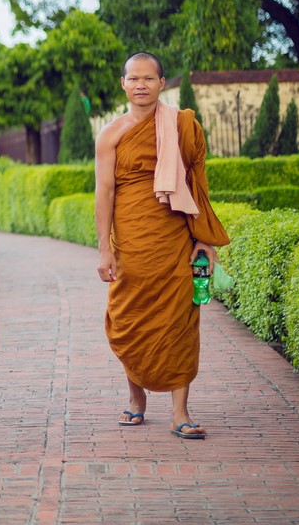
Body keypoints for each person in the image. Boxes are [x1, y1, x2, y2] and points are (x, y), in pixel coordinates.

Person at [94, 52, 229, 439]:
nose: (141, 85)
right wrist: (105, 248)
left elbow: (199, 187)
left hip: (174, 242)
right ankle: (136, 399)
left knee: (180, 323)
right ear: (123, 84)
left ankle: (180, 412)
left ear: (162, 82)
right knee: (128, 320)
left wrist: (204, 238)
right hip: (132, 244)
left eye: (148, 79)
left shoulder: (183, 126)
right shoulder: (111, 134)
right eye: (133, 79)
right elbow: (104, 192)